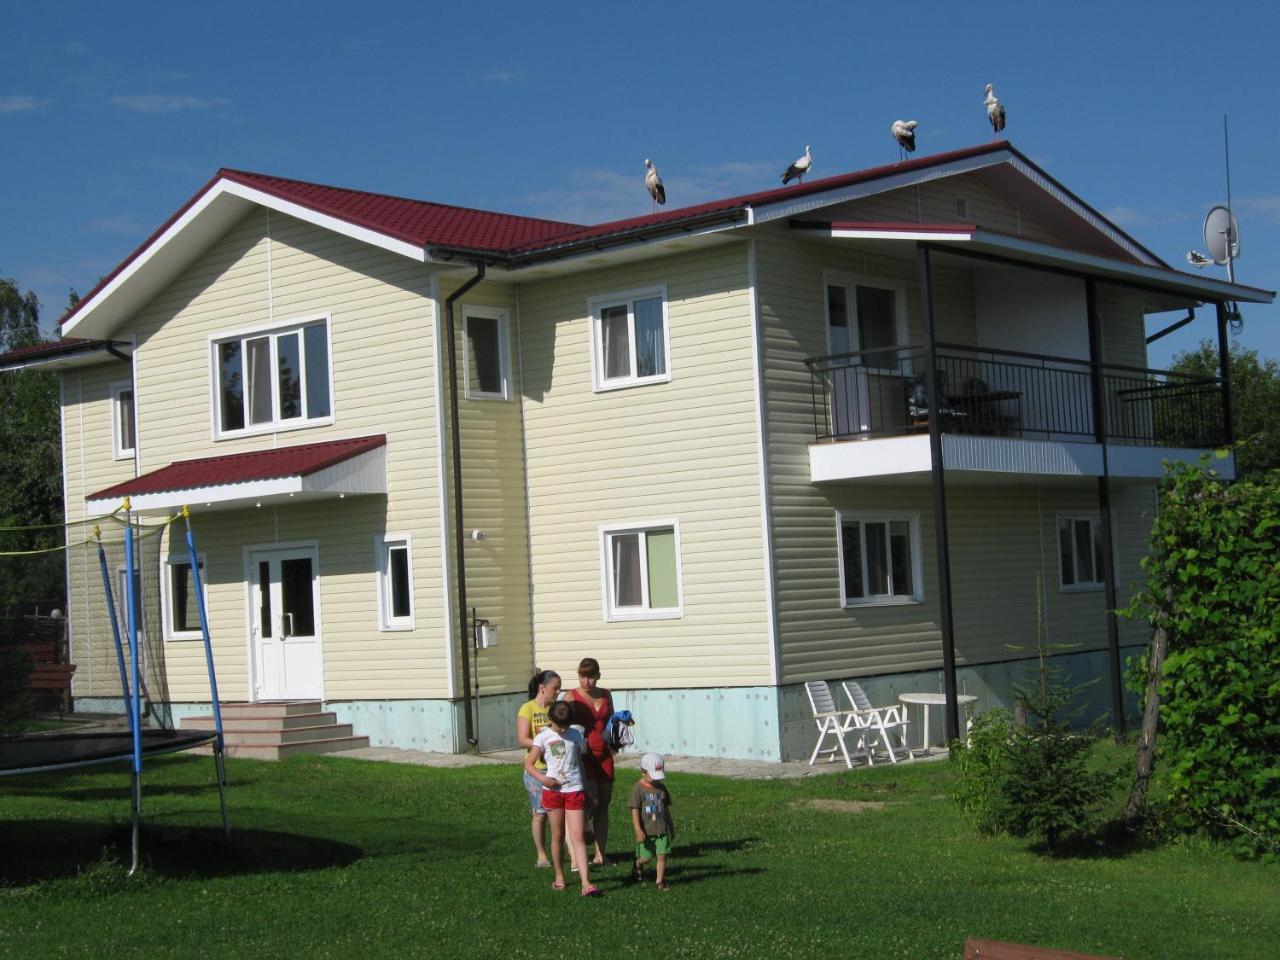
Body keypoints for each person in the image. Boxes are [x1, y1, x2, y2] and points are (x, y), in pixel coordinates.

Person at [525, 700, 600, 897]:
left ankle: (586, 882)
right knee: (557, 836)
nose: (563, 729)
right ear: (550, 719)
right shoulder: (542, 737)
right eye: (560, 725)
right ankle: (559, 876)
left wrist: (588, 790)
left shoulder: (576, 735)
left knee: (578, 836)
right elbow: (529, 764)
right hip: (553, 792)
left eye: (566, 725)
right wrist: (544, 779)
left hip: (574, 790)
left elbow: (579, 765)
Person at [566, 656, 615, 865]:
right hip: (583, 756)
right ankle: (577, 853)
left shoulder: (606, 695)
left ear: (598, 676)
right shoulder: (571, 696)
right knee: (589, 803)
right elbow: (560, 721)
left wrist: (617, 738)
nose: (586, 681)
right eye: (583, 676)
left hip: (604, 754)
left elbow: (611, 722)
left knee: (604, 804)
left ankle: (600, 853)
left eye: (591, 677)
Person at [516, 669, 561, 868]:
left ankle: (562, 851)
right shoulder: (528, 708)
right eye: (554, 688)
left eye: (559, 689)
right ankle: (542, 854)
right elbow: (522, 739)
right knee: (540, 814)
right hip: (537, 770)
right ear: (542, 688)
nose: (557, 692)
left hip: (557, 768)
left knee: (559, 813)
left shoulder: (557, 709)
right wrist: (542, 742)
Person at [629, 752, 675, 891]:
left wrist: (671, 826)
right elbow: (635, 810)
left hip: (661, 829)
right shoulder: (637, 789)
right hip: (646, 831)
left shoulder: (661, 788)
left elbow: (666, 809)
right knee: (647, 857)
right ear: (643, 771)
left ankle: (659, 881)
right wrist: (638, 829)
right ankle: (638, 863)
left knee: (662, 856)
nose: (656, 780)